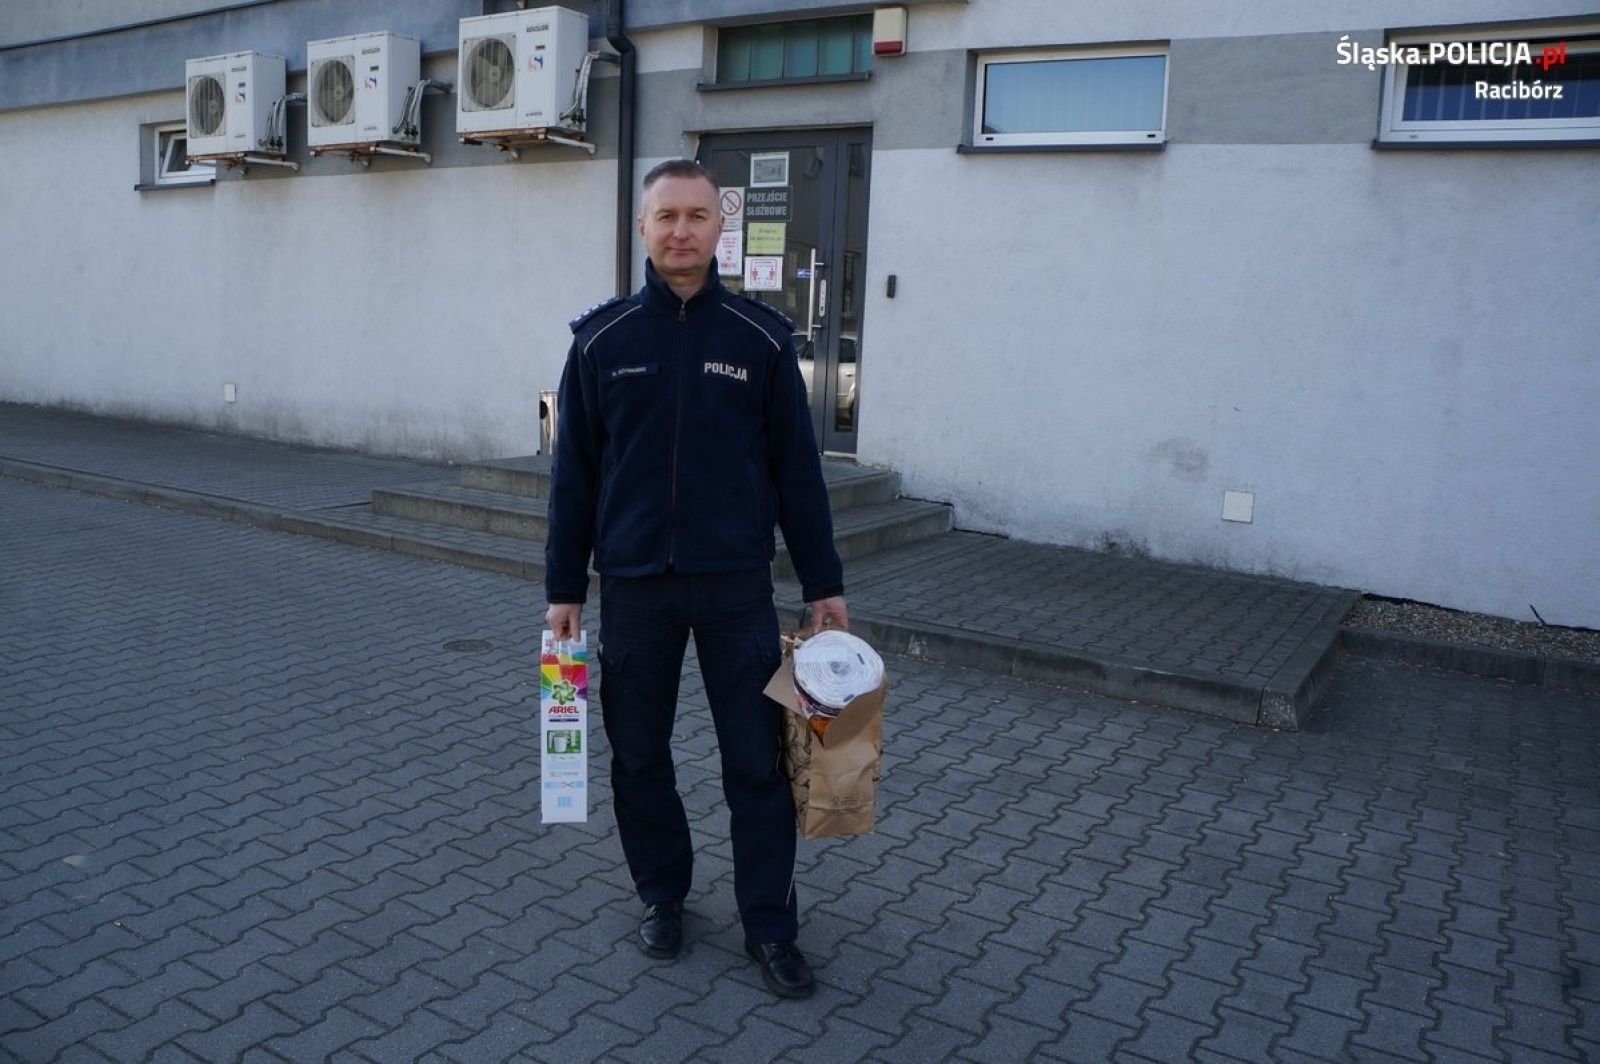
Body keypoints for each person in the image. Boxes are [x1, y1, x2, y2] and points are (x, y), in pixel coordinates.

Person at [544, 158, 849, 999]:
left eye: (697, 215)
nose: (681, 229)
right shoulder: (601, 342)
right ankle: (663, 895)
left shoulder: (759, 341)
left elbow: (797, 473)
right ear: (641, 229)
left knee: (756, 761)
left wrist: (825, 586)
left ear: (722, 228)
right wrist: (565, 589)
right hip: (635, 588)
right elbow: (575, 476)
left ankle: (770, 926)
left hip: (735, 591)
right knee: (638, 758)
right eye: (666, 215)